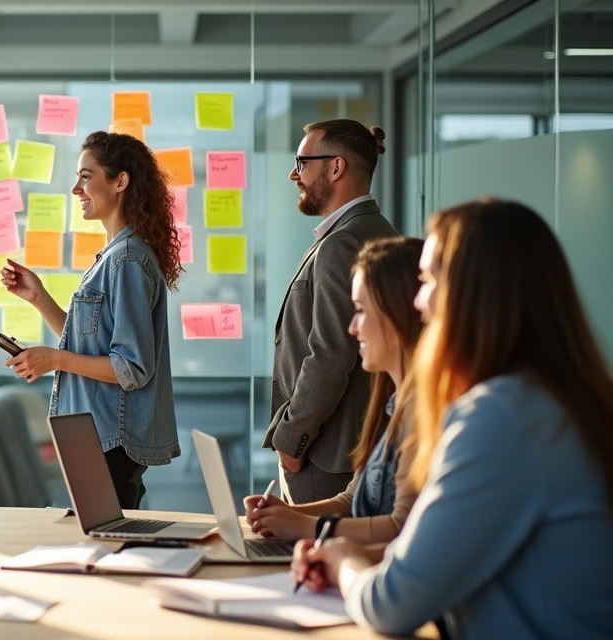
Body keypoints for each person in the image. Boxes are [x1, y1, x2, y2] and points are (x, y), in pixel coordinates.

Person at [292, 199, 613, 639]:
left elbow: (390, 606)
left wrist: (345, 559)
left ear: (473, 293)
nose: (419, 302)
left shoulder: (499, 417)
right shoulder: (555, 400)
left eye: (427, 280)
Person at [1, 131, 181, 509]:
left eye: (85, 176)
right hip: (100, 438)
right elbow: (91, 343)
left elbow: (130, 367)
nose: (75, 189)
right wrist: (38, 297)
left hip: (111, 441)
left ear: (120, 181)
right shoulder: (117, 255)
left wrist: (52, 359)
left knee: (107, 550)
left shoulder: (127, 260)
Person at [245, 237, 423, 543]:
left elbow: (400, 527)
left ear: (400, 313)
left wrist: (304, 527)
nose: (352, 329)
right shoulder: (389, 406)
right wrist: (286, 514)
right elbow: (349, 503)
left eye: (361, 311)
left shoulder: (427, 413)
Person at [265, 119, 399, 504]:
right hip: (345, 447)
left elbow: (331, 351)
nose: (295, 173)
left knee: (306, 559)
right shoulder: (375, 230)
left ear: (336, 167)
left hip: (325, 453)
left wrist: (292, 439)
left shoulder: (344, 242)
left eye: (302, 162)